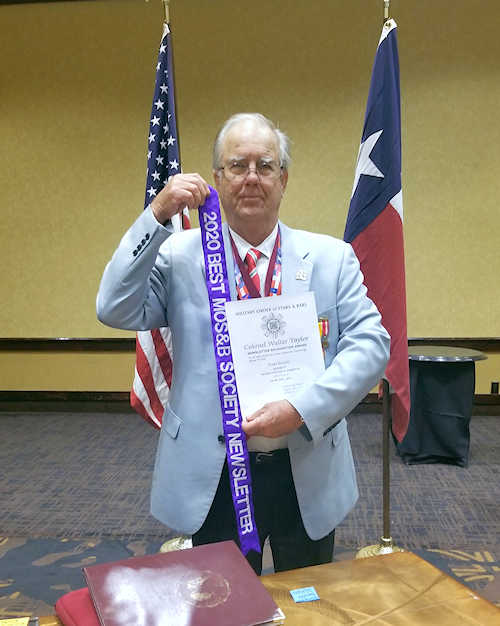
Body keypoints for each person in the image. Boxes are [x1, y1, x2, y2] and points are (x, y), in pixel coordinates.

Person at [97, 112, 390, 574]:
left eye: (265, 165)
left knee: (308, 602)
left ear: (284, 179)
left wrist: (301, 410)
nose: (251, 177)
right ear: (217, 178)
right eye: (237, 165)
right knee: (223, 606)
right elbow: (113, 306)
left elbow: (372, 343)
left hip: (306, 467)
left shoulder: (332, 259)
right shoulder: (177, 257)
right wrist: (156, 215)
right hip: (213, 475)